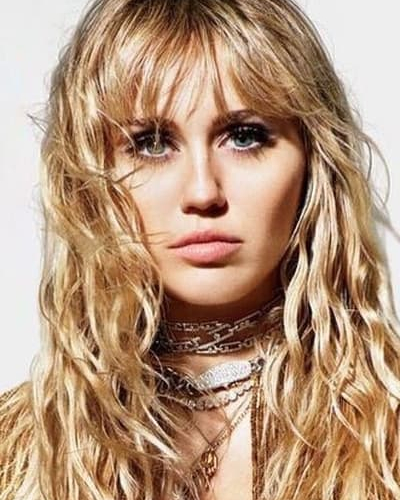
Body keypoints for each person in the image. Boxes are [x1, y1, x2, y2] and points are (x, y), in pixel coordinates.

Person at [1, 0, 399, 499]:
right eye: (151, 143)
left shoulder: (386, 436)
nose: (203, 192)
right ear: (89, 178)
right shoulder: (19, 453)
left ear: (314, 161)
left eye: (244, 136)